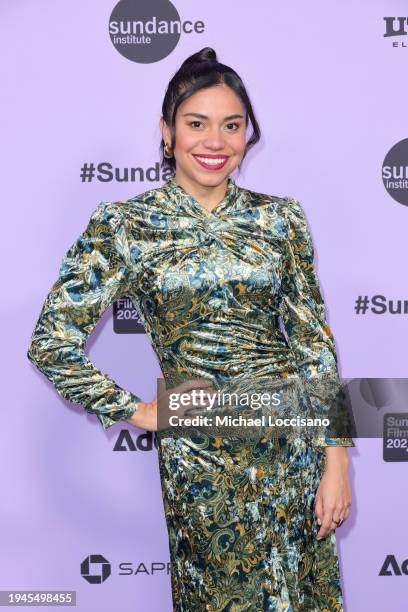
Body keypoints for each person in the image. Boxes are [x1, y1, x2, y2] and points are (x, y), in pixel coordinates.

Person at [27, 47, 354, 611]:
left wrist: (337, 458)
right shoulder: (125, 225)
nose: (215, 142)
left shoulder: (282, 219)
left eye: (232, 126)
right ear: (166, 131)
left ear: (248, 134)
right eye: (196, 124)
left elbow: (313, 345)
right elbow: (50, 342)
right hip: (202, 457)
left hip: (293, 443)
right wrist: (142, 411)